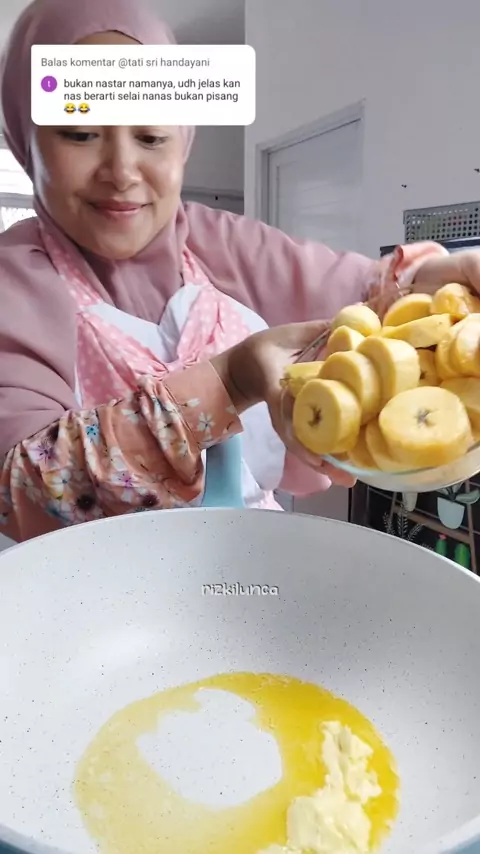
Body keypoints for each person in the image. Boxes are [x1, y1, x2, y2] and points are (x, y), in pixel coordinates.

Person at [1, 0, 480, 543]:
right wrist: (228, 382)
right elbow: (22, 488)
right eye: (80, 132)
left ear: (183, 139)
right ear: (25, 137)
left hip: (255, 560)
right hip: (101, 587)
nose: (122, 172)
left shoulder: (210, 240)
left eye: (151, 137)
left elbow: (365, 297)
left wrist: (442, 274)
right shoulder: (14, 282)